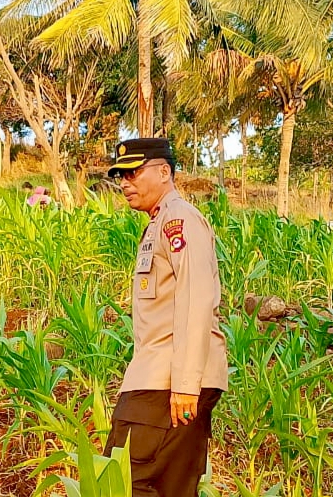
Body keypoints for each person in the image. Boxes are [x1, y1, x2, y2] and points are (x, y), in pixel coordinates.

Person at [103, 138, 228, 497]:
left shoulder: (178, 219)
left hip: (167, 383)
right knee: (172, 488)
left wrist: (186, 385)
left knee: (117, 481)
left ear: (163, 172)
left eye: (133, 173)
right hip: (170, 380)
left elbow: (195, 297)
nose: (125, 183)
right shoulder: (160, 222)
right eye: (121, 176)